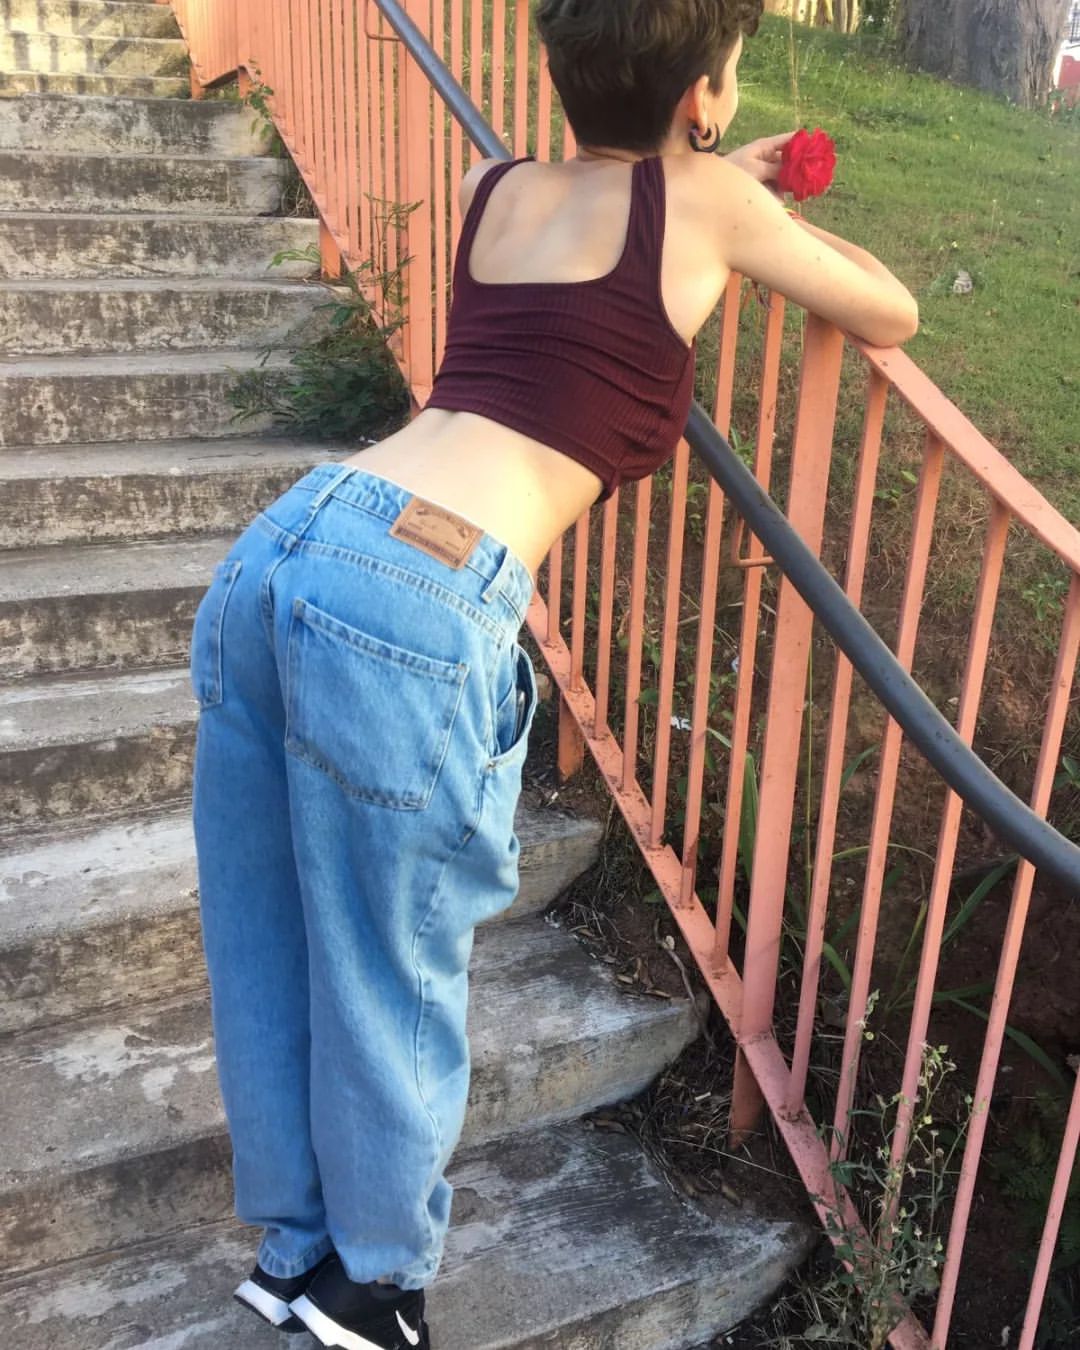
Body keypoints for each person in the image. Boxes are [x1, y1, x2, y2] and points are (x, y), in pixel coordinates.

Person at [189, 2, 918, 1347]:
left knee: (266, 933)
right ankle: (379, 1287)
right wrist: (741, 183)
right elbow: (890, 305)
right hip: (416, 586)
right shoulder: (710, 203)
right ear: (706, 92)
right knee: (390, 957)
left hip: (291, 536)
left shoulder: (495, 185)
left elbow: (605, 209)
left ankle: (296, 1252)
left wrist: (705, 162)